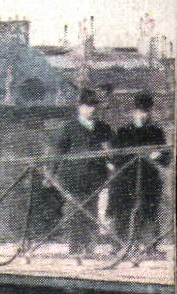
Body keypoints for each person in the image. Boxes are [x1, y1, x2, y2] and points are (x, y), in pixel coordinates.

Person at [52, 89, 114, 255]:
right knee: (74, 211)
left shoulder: (103, 128)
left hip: (95, 176)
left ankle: (89, 248)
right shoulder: (69, 127)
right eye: (87, 106)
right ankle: (75, 248)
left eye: (94, 106)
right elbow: (58, 152)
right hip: (74, 176)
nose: (92, 109)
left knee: (92, 210)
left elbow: (110, 151)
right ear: (79, 107)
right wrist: (52, 173)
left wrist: (112, 164)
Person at [108, 91, 169, 250]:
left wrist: (157, 155)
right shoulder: (123, 132)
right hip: (127, 178)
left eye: (146, 111)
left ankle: (149, 246)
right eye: (140, 111)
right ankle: (121, 246)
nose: (143, 115)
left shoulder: (156, 132)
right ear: (133, 112)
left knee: (149, 211)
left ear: (150, 112)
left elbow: (165, 158)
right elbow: (116, 157)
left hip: (148, 179)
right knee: (123, 211)